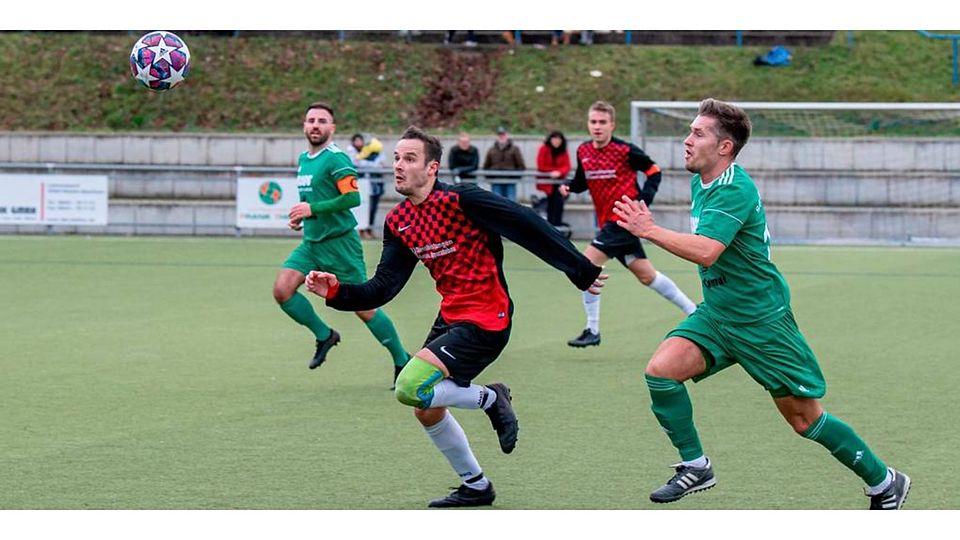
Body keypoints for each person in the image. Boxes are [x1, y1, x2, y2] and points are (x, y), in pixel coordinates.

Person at [612, 98, 910, 509]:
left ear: (724, 147)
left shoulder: (735, 187)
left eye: (698, 133)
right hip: (719, 313)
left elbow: (707, 251)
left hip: (760, 320)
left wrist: (650, 230)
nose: (686, 139)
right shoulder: (703, 180)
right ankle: (696, 465)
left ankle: (884, 481)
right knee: (661, 373)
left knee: (805, 419)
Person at [304, 126, 606, 508]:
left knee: (408, 384)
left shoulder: (462, 199)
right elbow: (383, 287)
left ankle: (490, 399)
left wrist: (579, 269)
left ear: (432, 168)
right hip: (452, 316)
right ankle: (477, 485)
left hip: (488, 318)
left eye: (409, 159)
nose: (398, 166)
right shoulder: (399, 221)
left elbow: (525, 224)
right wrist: (336, 291)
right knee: (425, 407)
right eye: (396, 157)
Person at [272, 102, 410, 386]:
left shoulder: (336, 159)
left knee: (364, 306)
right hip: (312, 243)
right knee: (282, 291)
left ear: (331, 128)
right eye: (311, 120)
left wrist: (313, 209)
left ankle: (402, 359)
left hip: (340, 245)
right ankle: (325, 336)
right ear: (304, 125)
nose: (315, 125)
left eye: (322, 121)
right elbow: (314, 201)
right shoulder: (304, 158)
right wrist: (303, 216)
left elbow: (352, 199)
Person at [560, 101, 697, 348]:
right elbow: (583, 180)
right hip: (613, 225)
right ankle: (694, 311)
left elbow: (654, 171)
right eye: (594, 122)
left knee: (585, 265)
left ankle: (592, 329)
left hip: (622, 220)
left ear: (612, 125)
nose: (598, 127)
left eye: (603, 122)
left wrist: (642, 202)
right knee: (647, 276)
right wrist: (569, 185)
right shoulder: (583, 151)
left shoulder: (625, 150)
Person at [347, 133, 386, 240]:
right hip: (360, 186)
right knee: (362, 208)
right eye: (356, 141)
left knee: (373, 208)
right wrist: (372, 164)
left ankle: (369, 229)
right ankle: (362, 230)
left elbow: (380, 162)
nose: (359, 143)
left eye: (360, 141)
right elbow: (355, 162)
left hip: (374, 185)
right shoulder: (352, 151)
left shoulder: (371, 150)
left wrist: (366, 163)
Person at [535, 130, 571, 230]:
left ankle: (557, 228)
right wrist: (552, 172)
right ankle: (550, 228)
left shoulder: (563, 150)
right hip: (547, 183)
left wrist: (559, 173)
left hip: (559, 182)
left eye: (559, 139)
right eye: (554, 139)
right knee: (549, 205)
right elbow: (541, 166)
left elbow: (567, 166)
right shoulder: (543, 149)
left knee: (559, 205)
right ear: (550, 139)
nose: (556, 141)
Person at [482, 126, 526, 201]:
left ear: (507, 135)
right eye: (500, 135)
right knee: (497, 204)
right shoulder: (491, 150)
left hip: (510, 182)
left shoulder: (515, 149)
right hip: (496, 182)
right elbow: (486, 166)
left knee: (511, 204)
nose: (501, 136)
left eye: (503, 134)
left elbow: (521, 166)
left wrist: (514, 178)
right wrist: (491, 178)